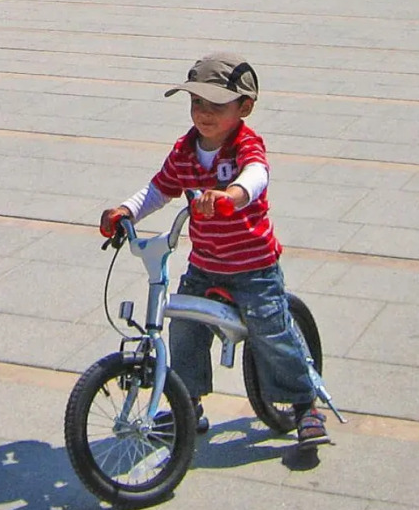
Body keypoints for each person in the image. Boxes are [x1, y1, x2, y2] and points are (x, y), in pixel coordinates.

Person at [99, 53, 328, 449]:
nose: (203, 113)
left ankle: (305, 403)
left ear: (245, 107)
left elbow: (256, 176)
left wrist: (231, 196)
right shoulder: (185, 149)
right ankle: (187, 404)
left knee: (270, 332)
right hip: (205, 264)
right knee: (185, 327)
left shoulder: (245, 144)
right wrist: (126, 210)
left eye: (216, 105)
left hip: (253, 266)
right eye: (196, 103)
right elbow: (160, 188)